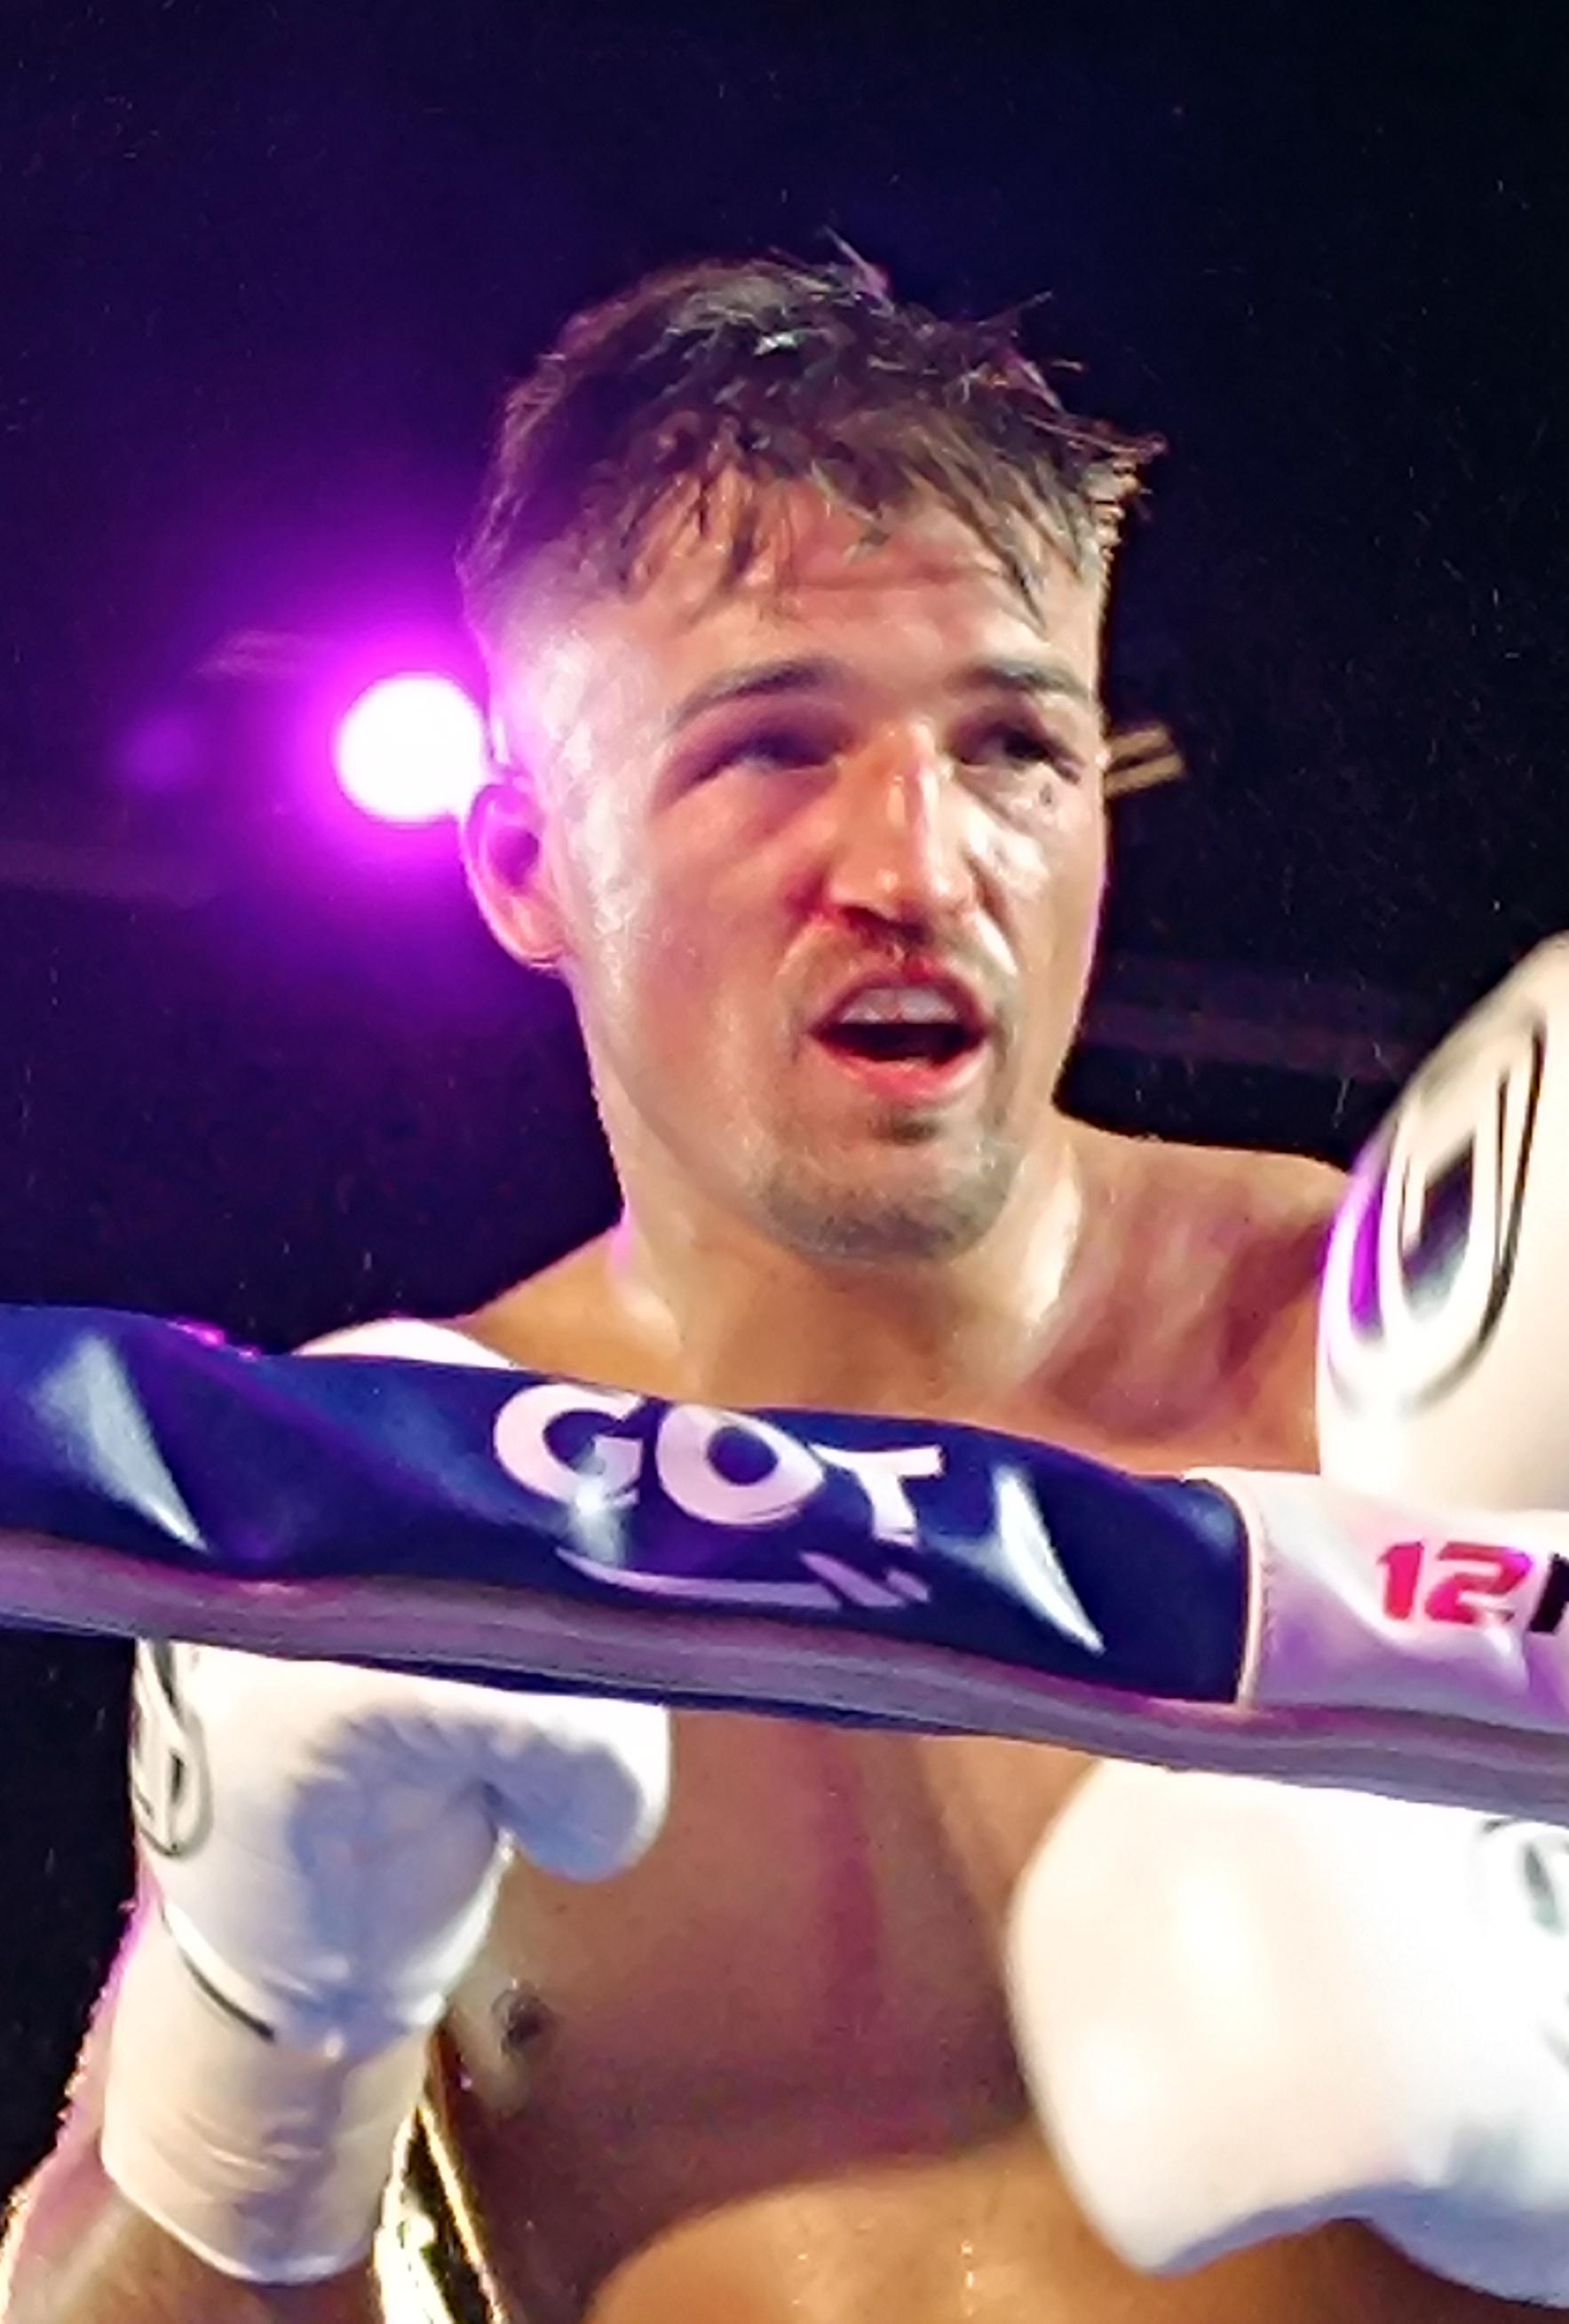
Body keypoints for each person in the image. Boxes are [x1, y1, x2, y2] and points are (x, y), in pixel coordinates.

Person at [0, 256, 1550, 2324]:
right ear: (525, 862)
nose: (916, 866)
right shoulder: (382, 1527)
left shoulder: (1430, 1387)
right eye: (771, 749)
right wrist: (257, 2028)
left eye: (1011, 742)